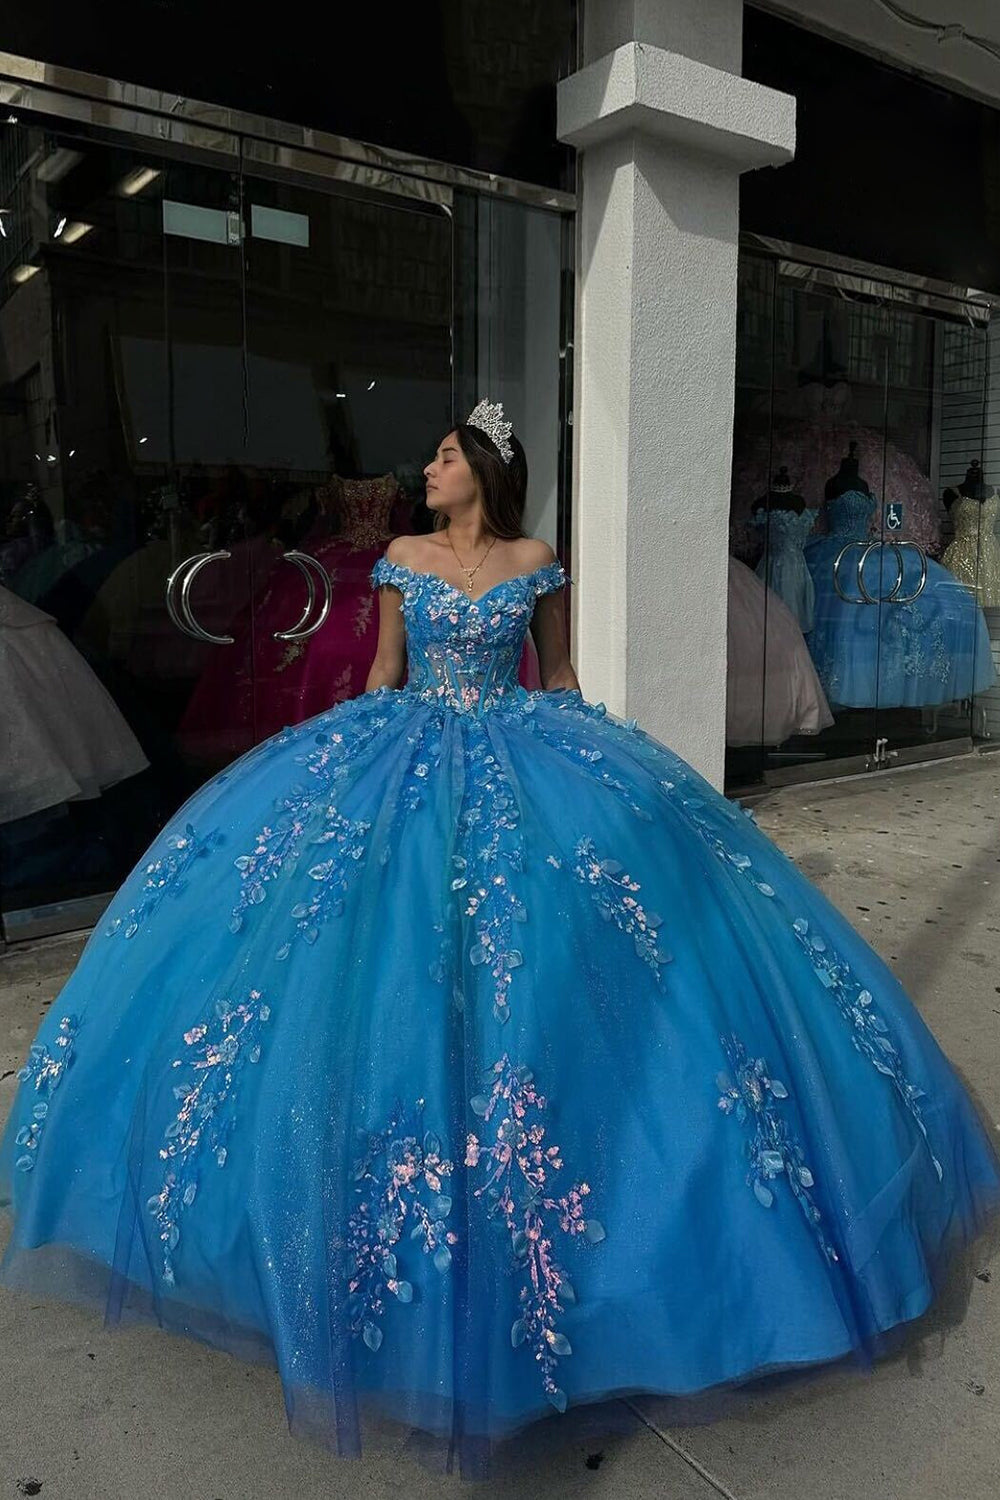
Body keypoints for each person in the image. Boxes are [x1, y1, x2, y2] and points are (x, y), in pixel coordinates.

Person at [1, 400, 998, 1483]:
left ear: (480, 467)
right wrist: (334, 763)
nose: (423, 470)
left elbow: (555, 677)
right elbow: (383, 674)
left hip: (526, 754)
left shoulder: (536, 560)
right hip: (408, 751)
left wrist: (620, 770)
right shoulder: (399, 557)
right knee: (365, 962)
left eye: (439, 455)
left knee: (575, 964)